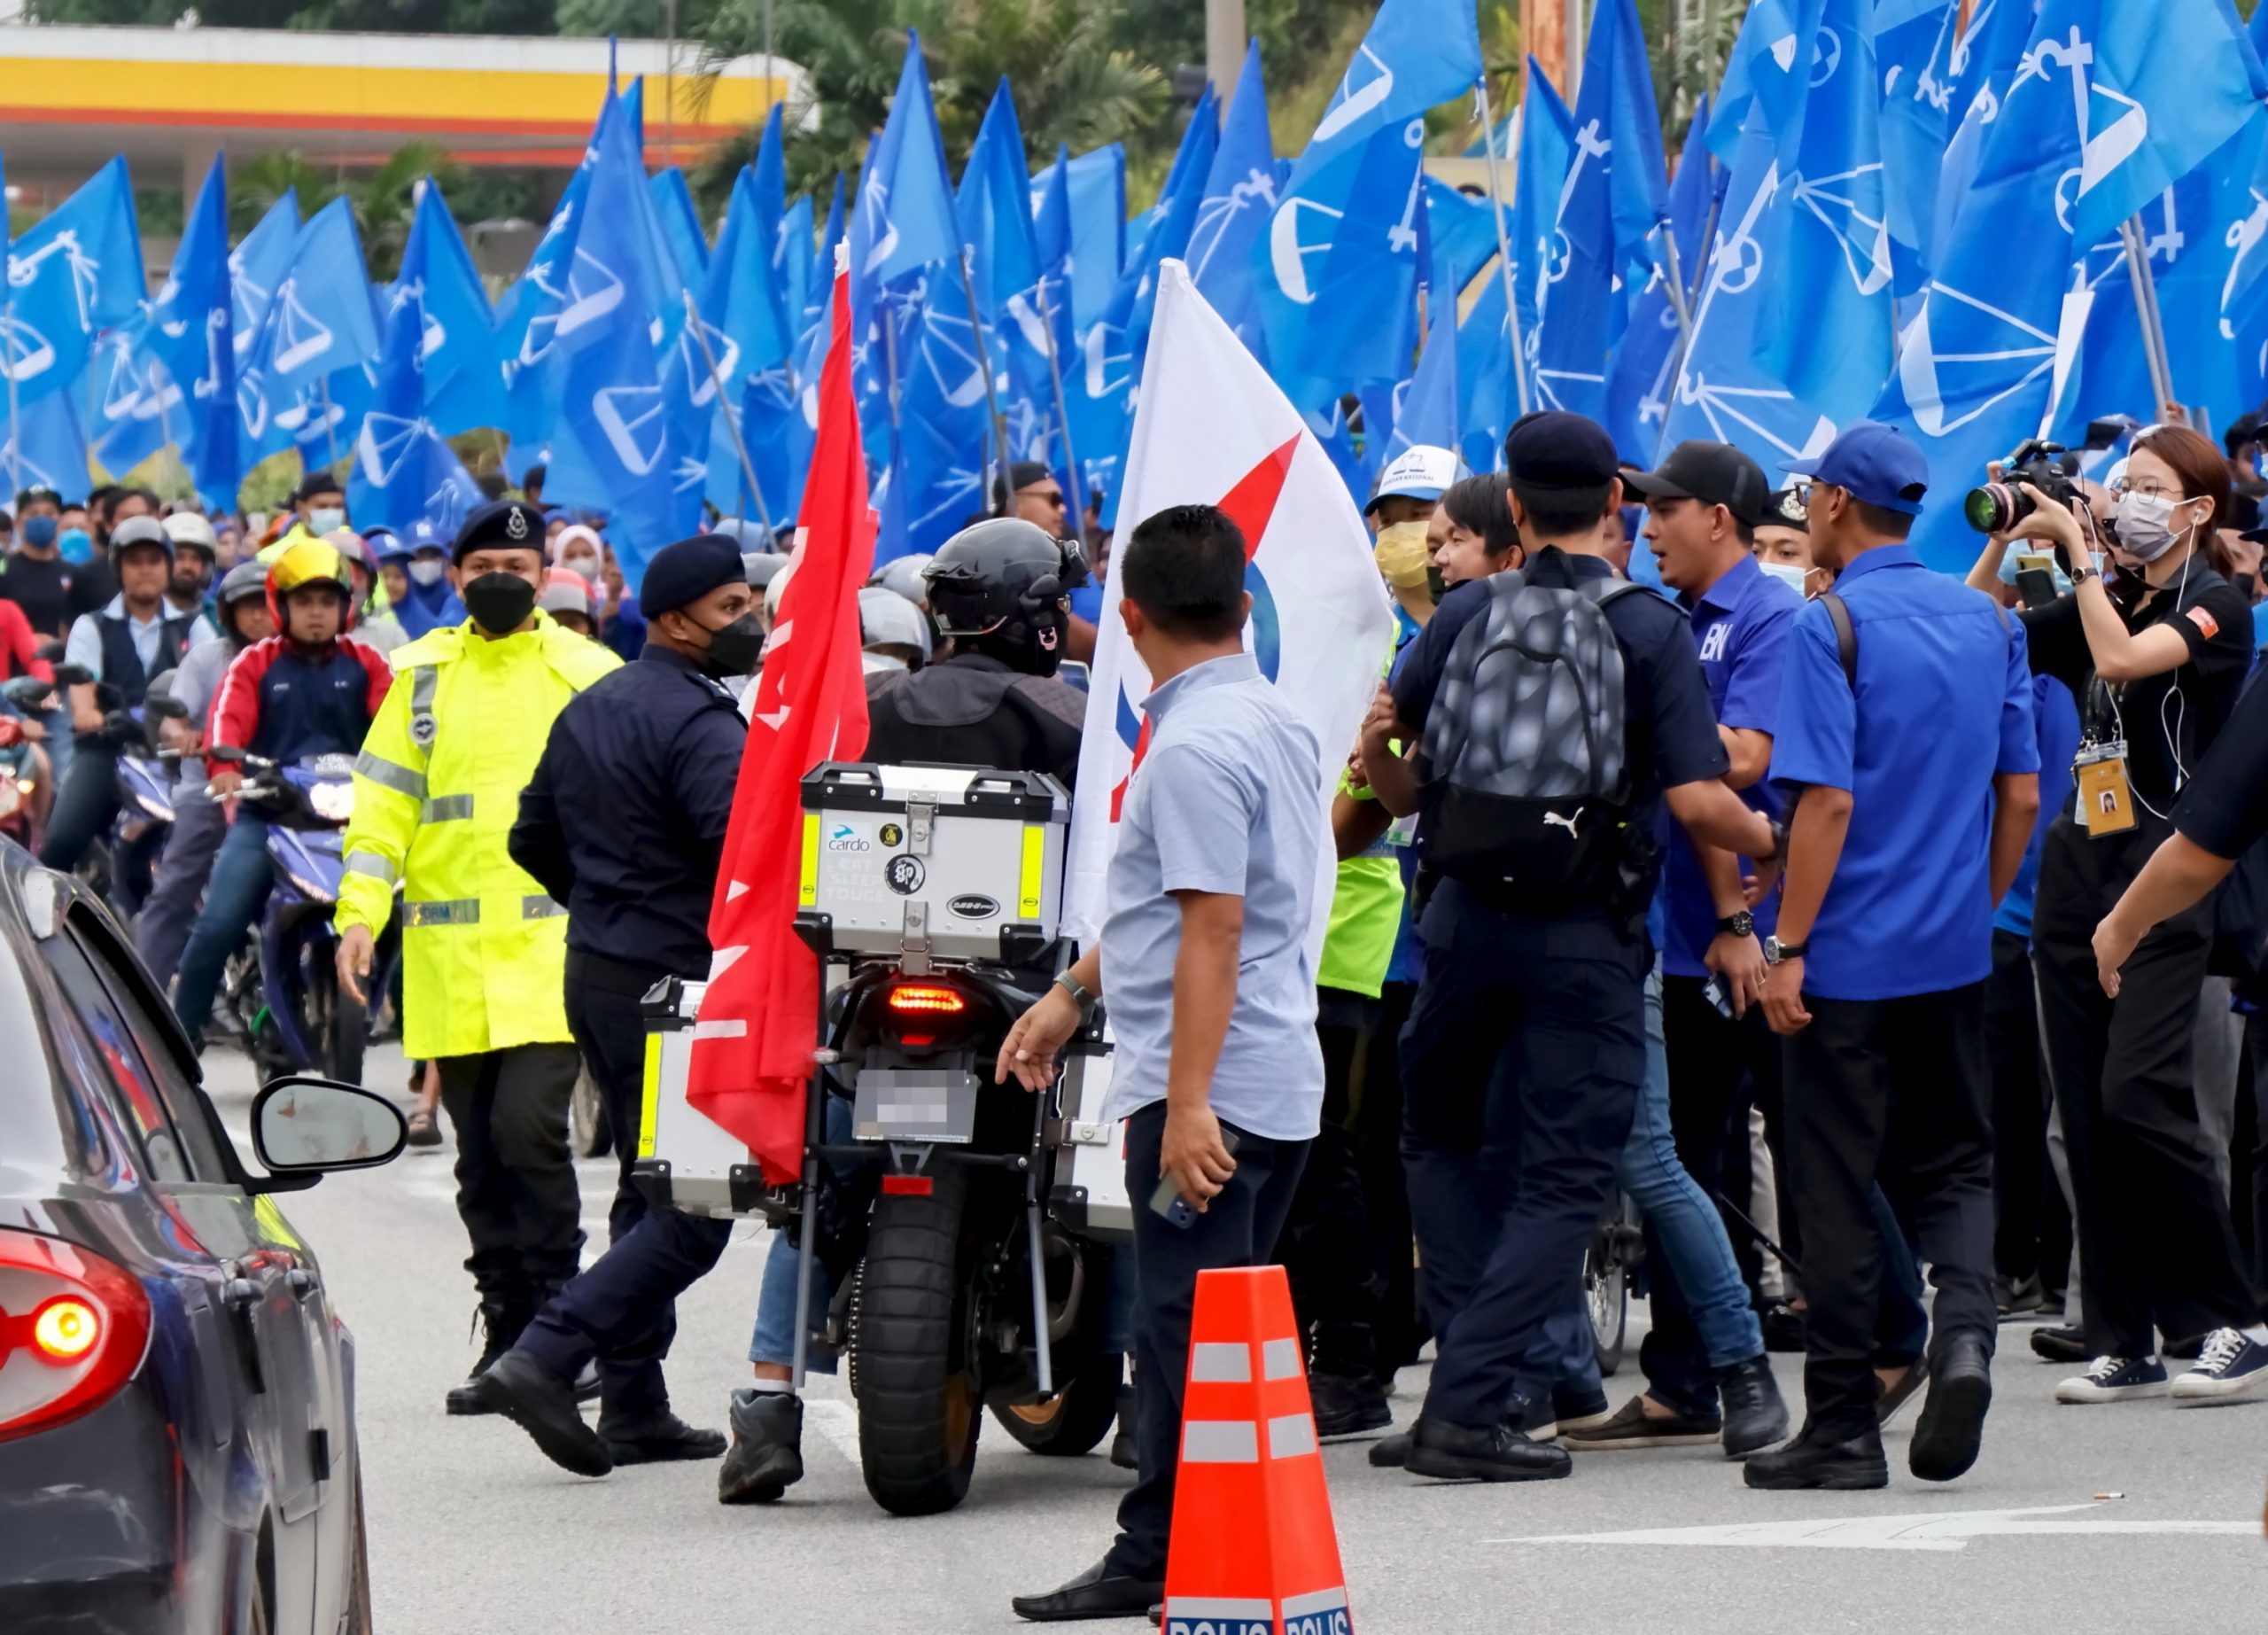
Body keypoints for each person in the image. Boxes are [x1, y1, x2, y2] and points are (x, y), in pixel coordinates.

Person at [1357, 411, 1783, 1485]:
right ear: (1614, 508)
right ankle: (1467, 1407)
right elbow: (1696, 798)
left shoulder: (1460, 617)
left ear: (1510, 512)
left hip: (1454, 921)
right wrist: (1767, 839)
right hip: (1583, 931)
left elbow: (1389, 765)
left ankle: (1481, 1388)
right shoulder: (1647, 628)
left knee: (1441, 1146)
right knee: (1566, 1173)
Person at [713, 516, 1092, 1505]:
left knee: (820, 1185)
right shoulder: (1070, 714)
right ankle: (1145, 1407)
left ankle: (764, 1406)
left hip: (872, 989)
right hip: (1021, 996)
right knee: (1088, 1169)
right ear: (1040, 618)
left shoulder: (865, 705)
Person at [1005, 502, 1324, 1622]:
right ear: (1243, 607)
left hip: (1214, 1083)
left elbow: (1213, 928)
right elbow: (1170, 908)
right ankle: (1195, 1549)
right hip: (1268, 1070)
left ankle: (1167, 1554)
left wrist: (1188, 1105)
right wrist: (1068, 994)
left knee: (1184, 1335)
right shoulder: (1270, 718)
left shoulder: (1191, 745)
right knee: (1204, 1332)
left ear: (1126, 616)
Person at [1747, 420, 2039, 1491]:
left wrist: (1787, 945)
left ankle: (1837, 1430)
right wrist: (1977, 899)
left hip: (1844, 960)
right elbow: (2019, 793)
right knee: (1956, 1160)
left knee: (1832, 1180)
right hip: (1951, 949)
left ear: (1830, 504)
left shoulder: (1829, 625)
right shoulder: (1984, 620)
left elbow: (1822, 802)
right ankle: (1965, 1330)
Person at [1970, 424, 2268, 1405]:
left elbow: (2129, 659)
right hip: (2076, 864)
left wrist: (2087, 556)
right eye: (2117, 485)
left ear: (2192, 510)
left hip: (2167, 871)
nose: (2123, 498)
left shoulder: (2214, 602)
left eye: (2146, 487)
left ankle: (2232, 1318)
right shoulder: (2102, 588)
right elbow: (1982, 628)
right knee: (2086, 1114)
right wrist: (2017, 528)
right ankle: (2123, 1331)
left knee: (2139, 1098)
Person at [473, 534, 763, 1474]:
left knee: (649, 1182)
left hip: (596, 970)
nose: (748, 621)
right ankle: (547, 1356)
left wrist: (603, 904)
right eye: (729, 609)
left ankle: (634, 1403)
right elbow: (740, 861)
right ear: (675, 619)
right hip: (677, 985)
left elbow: (531, 835)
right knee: (696, 1206)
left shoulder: (589, 706)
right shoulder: (704, 725)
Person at [332, 500, 620, 1415]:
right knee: (477, 1161)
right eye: (484, 561)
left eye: (520, 564)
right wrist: (357, 917)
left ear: (547, 579)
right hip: (451, 963)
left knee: (530, 1133)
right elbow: (380, 815)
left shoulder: (589, 672)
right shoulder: (414, 675)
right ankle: (504, 1329)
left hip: (553, 954)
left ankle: (554, 1333)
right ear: (454, 577)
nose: (503, 576)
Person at [1563, 439, 1793, 1455]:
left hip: (1759, 929)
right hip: (1678, 930)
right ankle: (1681, 1376)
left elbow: (1740, 767)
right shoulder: (1670, 623)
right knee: (1681, 1158)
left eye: (1667, 510)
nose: (1647, 527)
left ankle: (1894, 1333)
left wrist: (1746, 922)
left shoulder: (1769, 616)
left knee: (1793, 1145)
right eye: (1641, 510)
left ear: (1722, 518)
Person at [170, 542, 393, 1044]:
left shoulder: (369, 663)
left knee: (423, 916)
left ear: (346, 607)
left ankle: (429, 1053)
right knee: (218, 921)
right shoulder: (254, 663)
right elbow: (227, 720)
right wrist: (224, 765)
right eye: (305, 601)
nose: (317, 612)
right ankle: (179, 1040)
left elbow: (396, 725)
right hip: (268, 817)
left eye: (327, 601)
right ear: (282, 605)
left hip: (356, 820)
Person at [42, 518, 217, 875]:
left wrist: (196, 730)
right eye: (134, 561)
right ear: (118, 569)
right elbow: (81, 690)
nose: (145, 570)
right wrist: (89, 714)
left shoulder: (195, 626)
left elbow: (215, 691)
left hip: (175, 758)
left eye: (154, 561)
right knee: (59, 844)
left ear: (167, 567)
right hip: (109, 751)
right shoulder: (92, 626)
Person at [861, 518, 1088, 788]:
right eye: (1060, 603)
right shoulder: (1070, 715)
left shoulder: (868, 698)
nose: (1063, 615)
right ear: (1033, 614)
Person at [134, 563, 276, 989]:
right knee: (174, 888)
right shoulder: (206, 657)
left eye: (265, 606)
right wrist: (181, 736)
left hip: (283, 791)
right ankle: (142, 999)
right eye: (245, 608)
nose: (257, 617)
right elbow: (171, 719)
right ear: (228, 613)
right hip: (209, 790)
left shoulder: (298, 659)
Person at [382, 520, 467, 639]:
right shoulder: (395, 598)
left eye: (433, 555)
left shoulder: (458, 601)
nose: (427, 562)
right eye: (419, 556)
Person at [1752, 488, 1828, 600]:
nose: (1765, 563)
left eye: (1786, 553)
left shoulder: (1843, 617)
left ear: (1823, 577)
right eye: (1755, 552)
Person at [161, 512, 221, 624]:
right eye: (179, 557)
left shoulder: (217, 615)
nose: (187, 566)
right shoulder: (147, 612)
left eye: (195, 559)